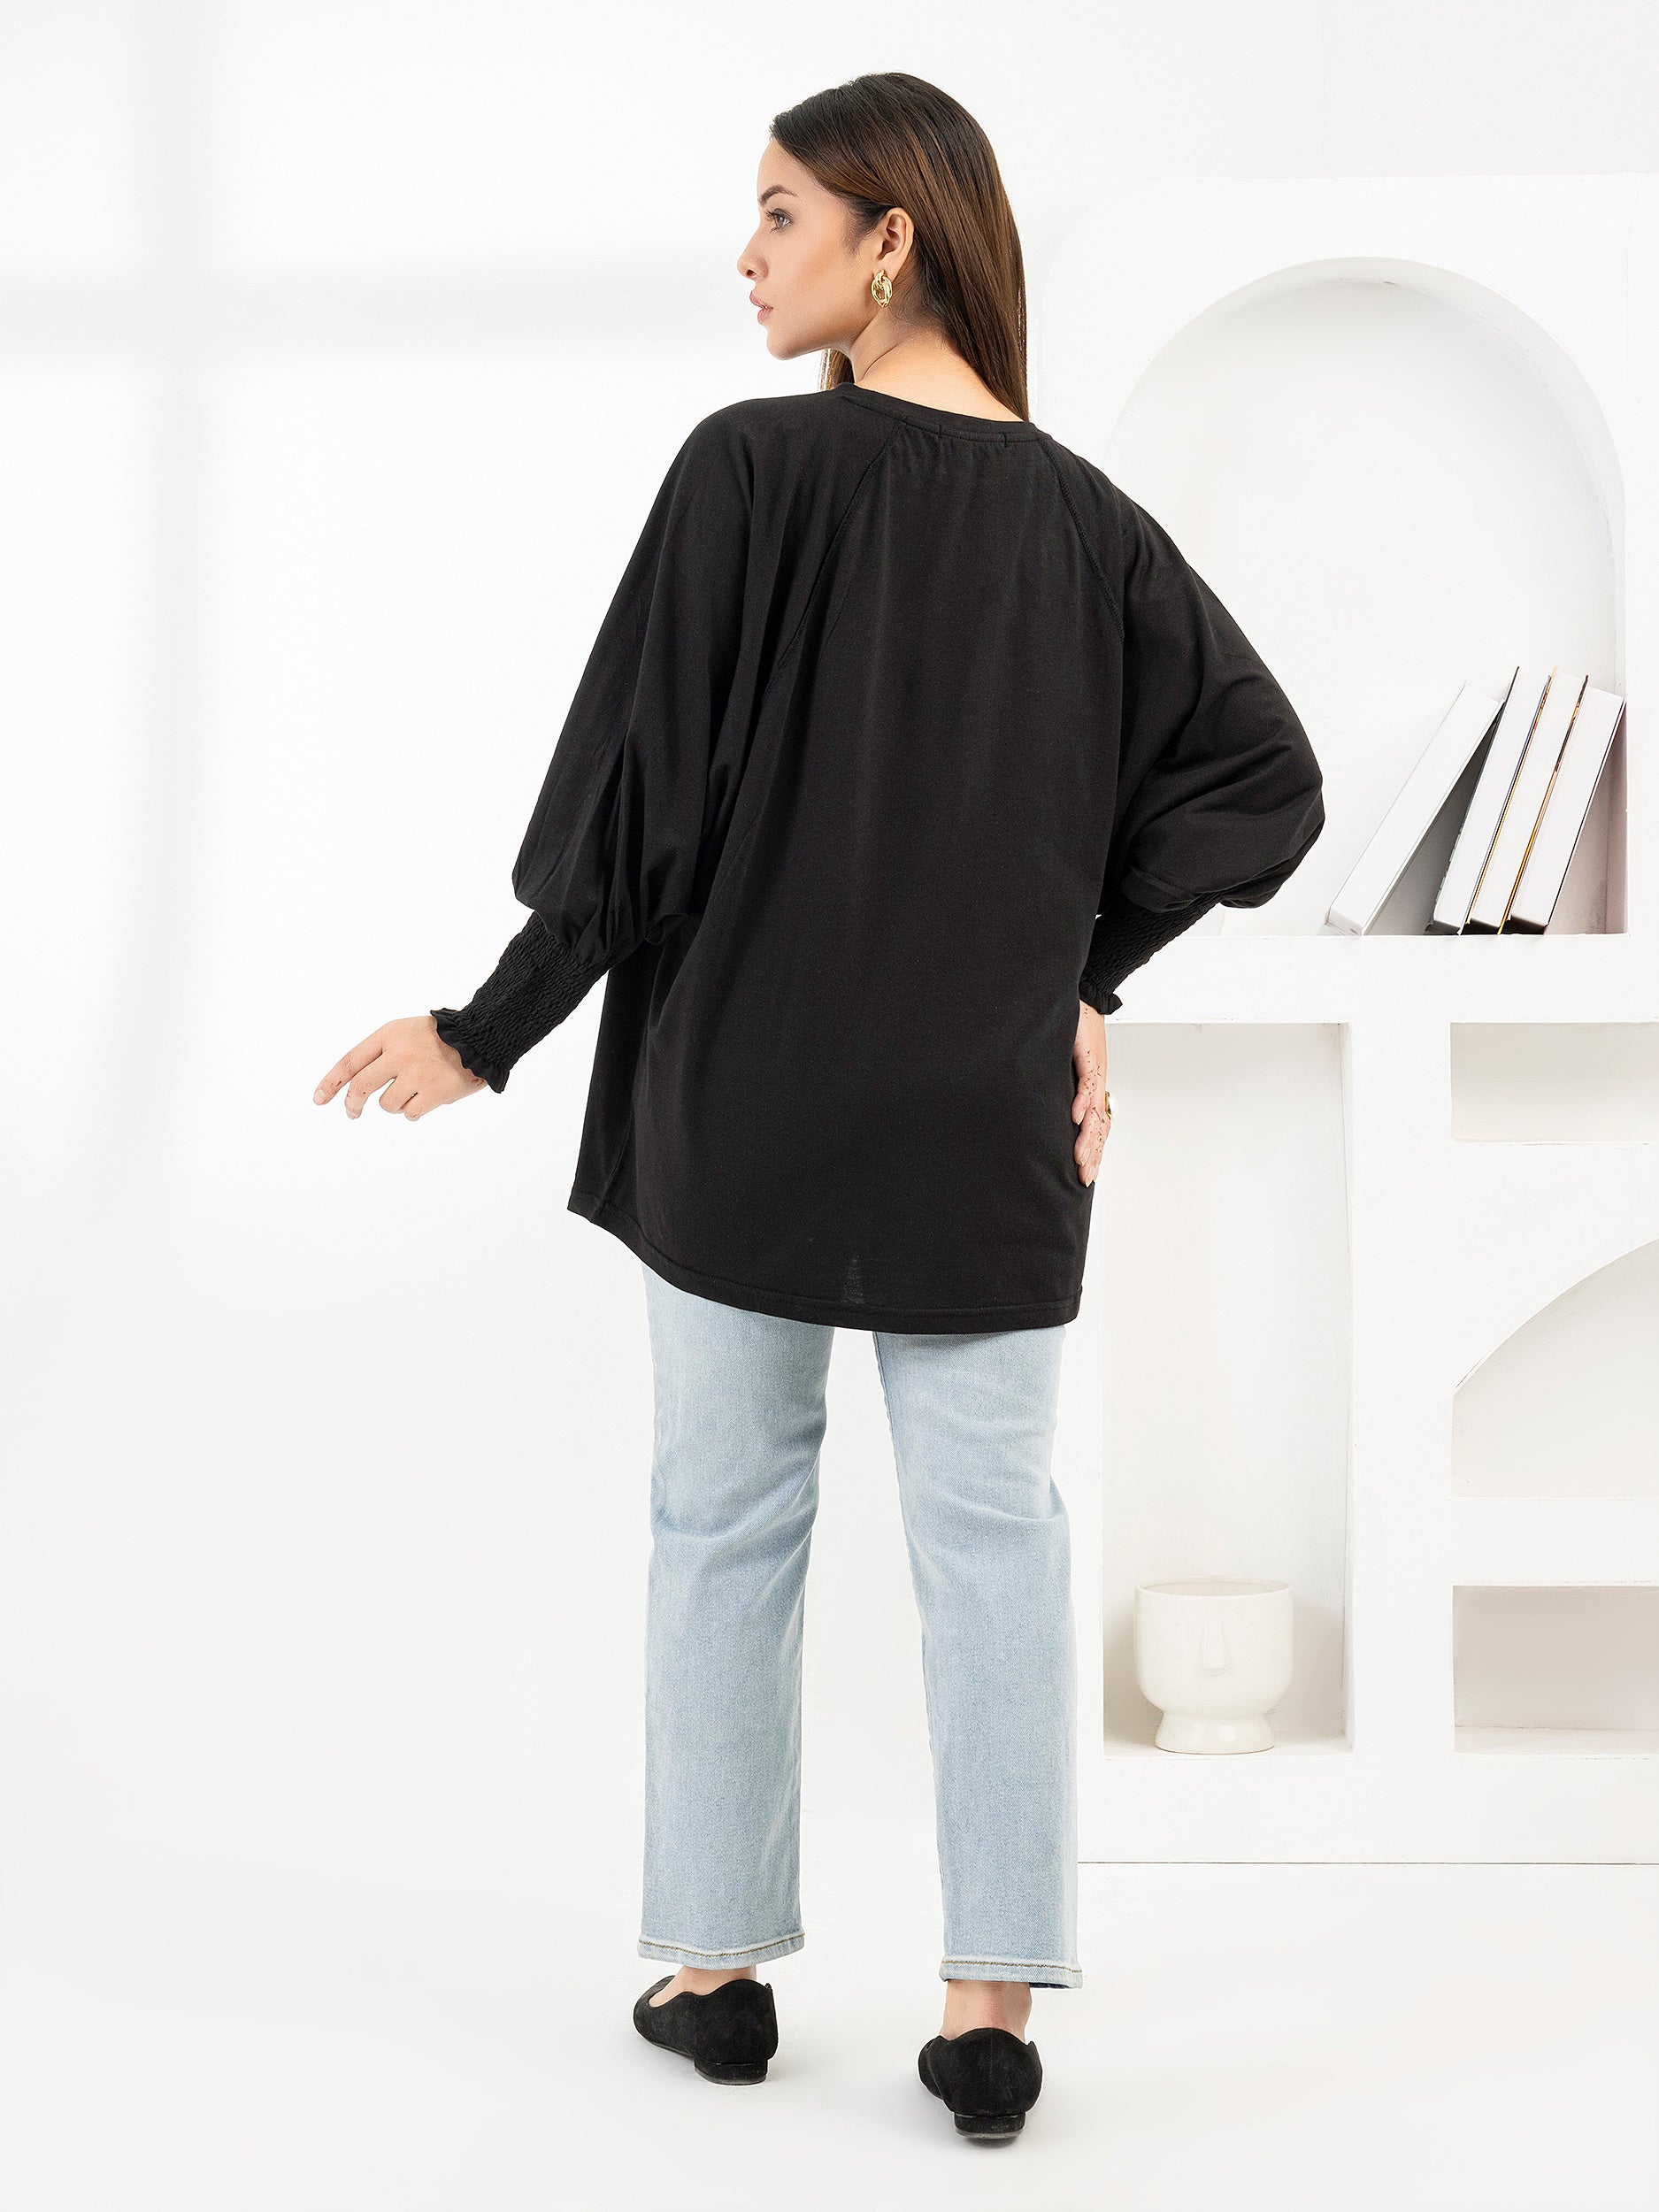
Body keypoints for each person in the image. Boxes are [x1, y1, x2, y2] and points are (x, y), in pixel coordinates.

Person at [311, 72, 1325, 2139]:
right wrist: (1085, 973)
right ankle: (987, 2010)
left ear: (891, 241)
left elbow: (637, 811)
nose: (747, 253)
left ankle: (713, 1971)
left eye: (780, 213)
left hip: (744, 1094)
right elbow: (1265, 785)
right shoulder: (1091, 528)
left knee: (721, 1521)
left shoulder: (750, 468)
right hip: (977, 1116)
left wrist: (489, 1027)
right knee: (993, 1542)